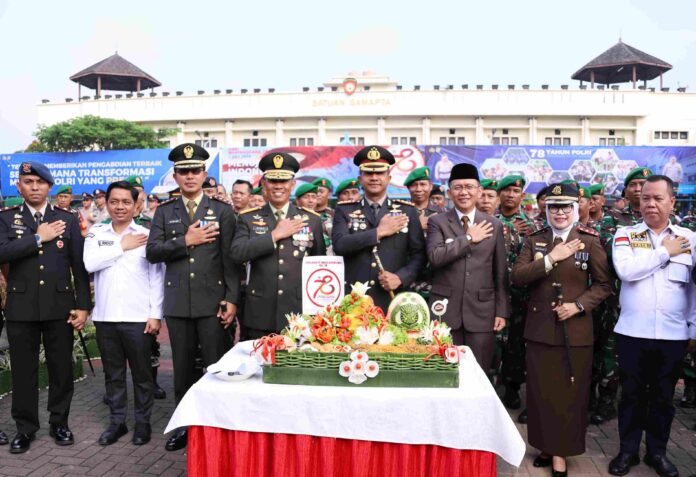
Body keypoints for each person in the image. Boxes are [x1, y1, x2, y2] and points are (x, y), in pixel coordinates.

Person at [512, 182, 611, 477]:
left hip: (574, 330)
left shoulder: (589, 241)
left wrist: (578, 306)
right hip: (540, 328)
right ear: (546, 210)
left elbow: (604, 285)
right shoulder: (535, 240)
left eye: (566, 207)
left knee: (569, 393)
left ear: (575, 209)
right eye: (554, 207)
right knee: (541, 392)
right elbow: (518, 276)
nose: (560, 212)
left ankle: (561, 453)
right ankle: (545, 446)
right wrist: (551, 258)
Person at [146, 143, 239, 451]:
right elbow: (152, 252)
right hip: (178, 303)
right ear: (175, 175)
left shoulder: (222, 211)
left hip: (212, 302)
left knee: (215, 366)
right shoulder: (164, 211)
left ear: (204, 174)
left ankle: (216, 426)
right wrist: (184, 241)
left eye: (195, 170)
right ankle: (184, 426)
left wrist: (232, 298)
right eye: (183, 171)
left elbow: (230, 260)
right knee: (183, 369)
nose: (189, 176)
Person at [0, 162, 91, 454]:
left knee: (61, 368)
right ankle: (25, 428)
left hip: (59, 305)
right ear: (19, 186)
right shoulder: (6, 218)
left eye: (40, 182)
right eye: (28, 182)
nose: (35, 187)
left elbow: (79, 266)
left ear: (49, 186)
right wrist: (38, 238)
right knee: (23, 372)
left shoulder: (66, 218)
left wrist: (83, 306)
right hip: (21, 307)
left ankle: (59, 422)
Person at [608, 175, 696, 477]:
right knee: (631, 395)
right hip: (633, 332)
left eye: (658, 198)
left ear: (672, 202)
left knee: (663, 398)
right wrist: (664, 252)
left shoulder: (689, 238)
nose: (651, 204)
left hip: (673, 334)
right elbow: (626, 271)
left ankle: (657, 452)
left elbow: (694, 289)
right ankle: (628, 451)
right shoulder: (626, 234)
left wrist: (694, 328)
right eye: (646, 198)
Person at [83, 181, 163, 446]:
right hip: (106, 318)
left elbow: (157, 278)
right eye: (114, 201)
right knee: (113, 375)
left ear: (136, 205)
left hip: (138, 318)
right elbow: (90, 264)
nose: (120, 207)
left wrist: (155, 314)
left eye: (126, 202)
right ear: (107, 204)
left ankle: (143, 423)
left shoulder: (146, 235)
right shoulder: (96, 233)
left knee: (142, 375)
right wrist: (122, 246)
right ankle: (117, 423)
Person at [231, 152, 325, 338]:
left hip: (298, 313)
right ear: (264, 184)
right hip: (259, 312)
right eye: (273, 180)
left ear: (293, 184)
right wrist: (274, 236)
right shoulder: (248, 218)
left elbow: (318, 265)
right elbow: (237, 253)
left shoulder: (311, 220)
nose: (278, 186)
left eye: (284, 181)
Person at [426, 163, 509, 371]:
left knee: (479, 372)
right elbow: (435, 257)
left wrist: (501, 311)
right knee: (444, 371)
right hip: (445, 311)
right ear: (449, 193)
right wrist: (468, 238)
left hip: (482, 311)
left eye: (469, 187)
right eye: (458, 187)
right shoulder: (437, 222)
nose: (464, 192)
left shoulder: (494, 224)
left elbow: (499, 272)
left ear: (479, 191)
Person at [332, 146, 426, 312]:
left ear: (389, 178)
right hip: (354, 300)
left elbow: (419, 254)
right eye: (369, 173)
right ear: (360, 179)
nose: (374, 178)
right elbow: (340, 245)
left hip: (392, 298)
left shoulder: (407, 210)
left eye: (380, 173)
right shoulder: (344, 210)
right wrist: (378, 232)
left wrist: (401, 277)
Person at [497, 175, 538, 420]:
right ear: (499, 194)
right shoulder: (489, 220)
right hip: (493, 291)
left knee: (516, 343)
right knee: (494, 342)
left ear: (522, 196)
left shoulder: (532, 225)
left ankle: (512, 388)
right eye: (507, 190)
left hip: (521, 294)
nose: (511, 195)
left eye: (516, 191)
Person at [312, 178, 335, 253]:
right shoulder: (305, 215)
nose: (318, 194)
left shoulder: (335, 215)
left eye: (321, 192)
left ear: (329, 194)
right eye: (316, 192)